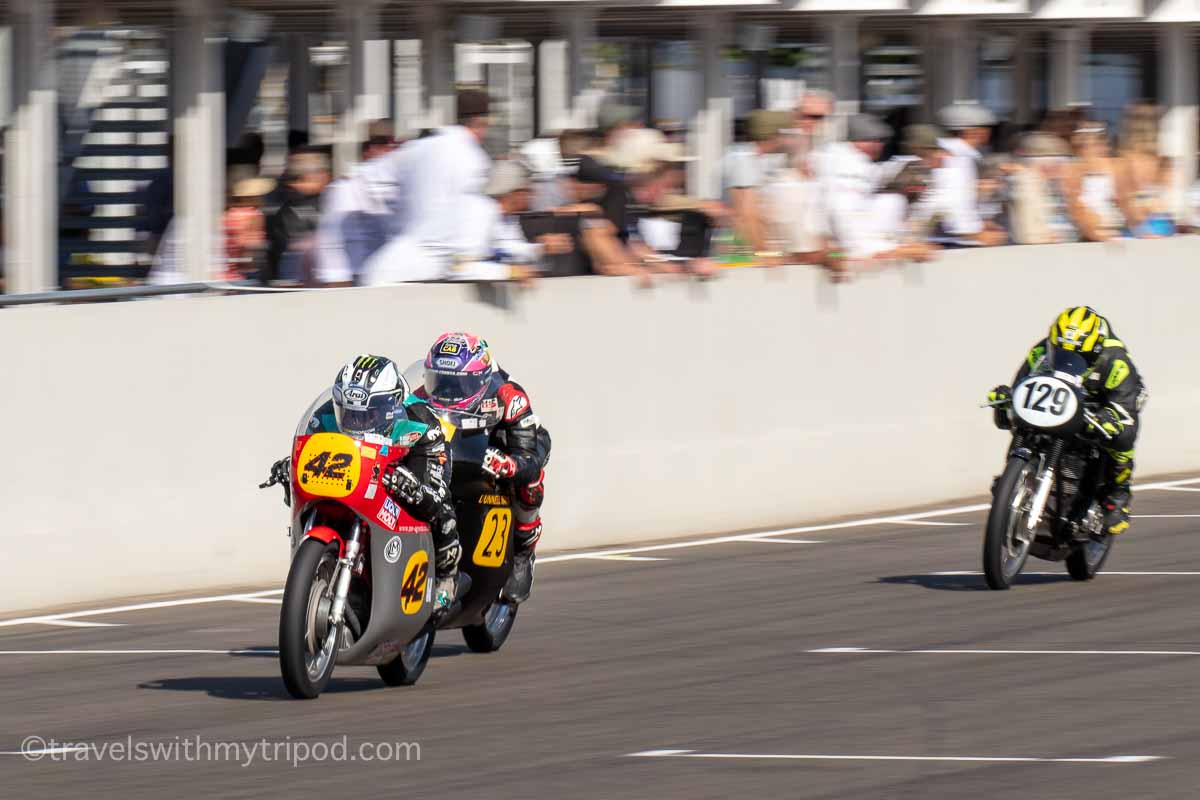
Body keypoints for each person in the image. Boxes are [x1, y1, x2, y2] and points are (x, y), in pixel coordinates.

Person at [268, 355, 464, 608]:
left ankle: (446, 577)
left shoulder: (421, 422)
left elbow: (435, 493)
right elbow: (313, 448)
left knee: (442, 510)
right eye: (348, 414)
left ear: (391, 407)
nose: (356, 423)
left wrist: (414, 487)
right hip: (354, 474)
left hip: (404, 466)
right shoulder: (326, 414)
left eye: (367, 416)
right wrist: (291, 466)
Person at [988, 307, 1146, 536]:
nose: (1068, 357)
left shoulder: (1116, 361)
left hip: (1103, 403)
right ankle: (1013, 481)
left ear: (1096, 348)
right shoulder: (1041, 351)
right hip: (1059, 401)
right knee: (1023, 423)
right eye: (1061, 351)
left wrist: (1112, 416)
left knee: (1123, 435)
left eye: (1079, 354)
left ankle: (1118, 493)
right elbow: (1023, 384)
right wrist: (1007, 398)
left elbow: (1125, 405)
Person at [418, 333, 551, 604]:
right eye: (440, 381)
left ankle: (524, 551)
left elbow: (528, 454)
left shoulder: (509, 397)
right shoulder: (422, 396)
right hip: (455, 448)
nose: (447, 391)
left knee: (529, 478)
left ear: (480, 381)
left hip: (504, 446)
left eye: (457, 384)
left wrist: (510, 463)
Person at [935, 102, 1007, 246]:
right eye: (985, 127)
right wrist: (975, 234)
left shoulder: (960, 155)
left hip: (956, 238)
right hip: (956, 242)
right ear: (971, 130)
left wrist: (982, 222)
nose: (988, 132)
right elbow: (954, 201)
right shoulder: (957, 158)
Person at [266, 148, 332, 285]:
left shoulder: (329, 202)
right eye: (295, 179)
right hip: (295, 276)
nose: (295, 185)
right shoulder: (287, 207)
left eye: (301, 178)